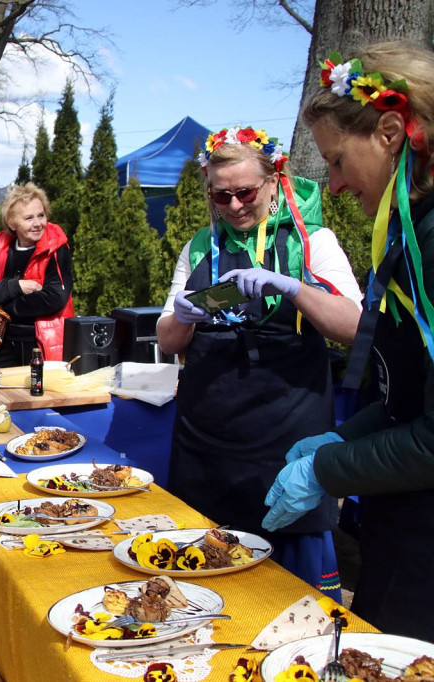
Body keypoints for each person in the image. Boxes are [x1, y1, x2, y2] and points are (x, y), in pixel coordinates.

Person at [263, 43, 434, 637]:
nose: (331, 187)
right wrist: (341, 436)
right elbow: (407, 394)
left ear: (390, 132)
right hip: (402, 521)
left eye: (336, 162)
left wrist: (330, 468)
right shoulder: (413, 236)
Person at [156, 124, 362, 595]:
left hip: (285, 434)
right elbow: (168, 340)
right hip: (206, 438)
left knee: (287, 590)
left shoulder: (314, 243)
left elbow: (352, 327)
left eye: (244, 192)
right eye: (220, 196)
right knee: (203, 571)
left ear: (273, 181)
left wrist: (293, 287)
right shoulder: (199, 247)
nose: (233, 207)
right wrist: (185, 316)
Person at [0, 182, 74, 364]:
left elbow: (54, 298)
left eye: (41, 216)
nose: (37, 224)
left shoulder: (56, 248)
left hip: (40, 346)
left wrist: (6, 307)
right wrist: (16, 286)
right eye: (28, 218)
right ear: (12, 223)